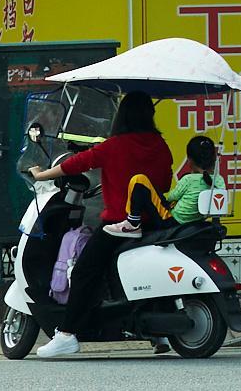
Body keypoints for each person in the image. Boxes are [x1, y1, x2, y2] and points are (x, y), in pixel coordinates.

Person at [43, 92, 172, 359]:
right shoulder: (160, 145)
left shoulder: (113, 146)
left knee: (83, 272)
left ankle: (67, 334)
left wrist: (40, 173)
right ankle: (158, 332)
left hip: (118, 225)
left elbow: (76, 164)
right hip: (155, 224)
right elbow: (165, 183)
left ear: (121, 116)